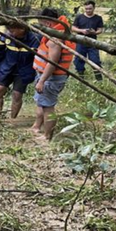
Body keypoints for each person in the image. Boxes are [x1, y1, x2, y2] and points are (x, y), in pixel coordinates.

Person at [31, 8, 76, 140]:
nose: (41, 27)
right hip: (45, 75)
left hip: (51, 78)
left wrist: (42, 81)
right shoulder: (60, 31)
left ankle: (47, 136)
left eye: (42, 24)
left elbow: (52, 62)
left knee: (47, 107)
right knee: (41, 102)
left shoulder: (55, 39)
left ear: (48, 23)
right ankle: (37, 127)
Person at [0, 22, 40, 119]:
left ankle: (12, 119)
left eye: (12, 30)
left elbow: (41, 57)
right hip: (6, 67)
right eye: (9, 30)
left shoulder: (35, 39)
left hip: (24, 70)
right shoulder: (5, 36)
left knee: (17, 95)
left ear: (22, 29)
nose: (10, 32)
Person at [72, 0, 104, 80]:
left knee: (95, 60)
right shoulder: (79, 17)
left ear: (94, 8)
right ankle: (81, 78)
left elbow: (100, 29)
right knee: (78, 60)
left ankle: (99, 79)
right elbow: (73, 28)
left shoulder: (98, 18)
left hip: (92, 42)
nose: (88, 10)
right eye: (86, 9)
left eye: (90, 9)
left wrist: (95, 32)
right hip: (80, 41)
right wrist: (82, 31)